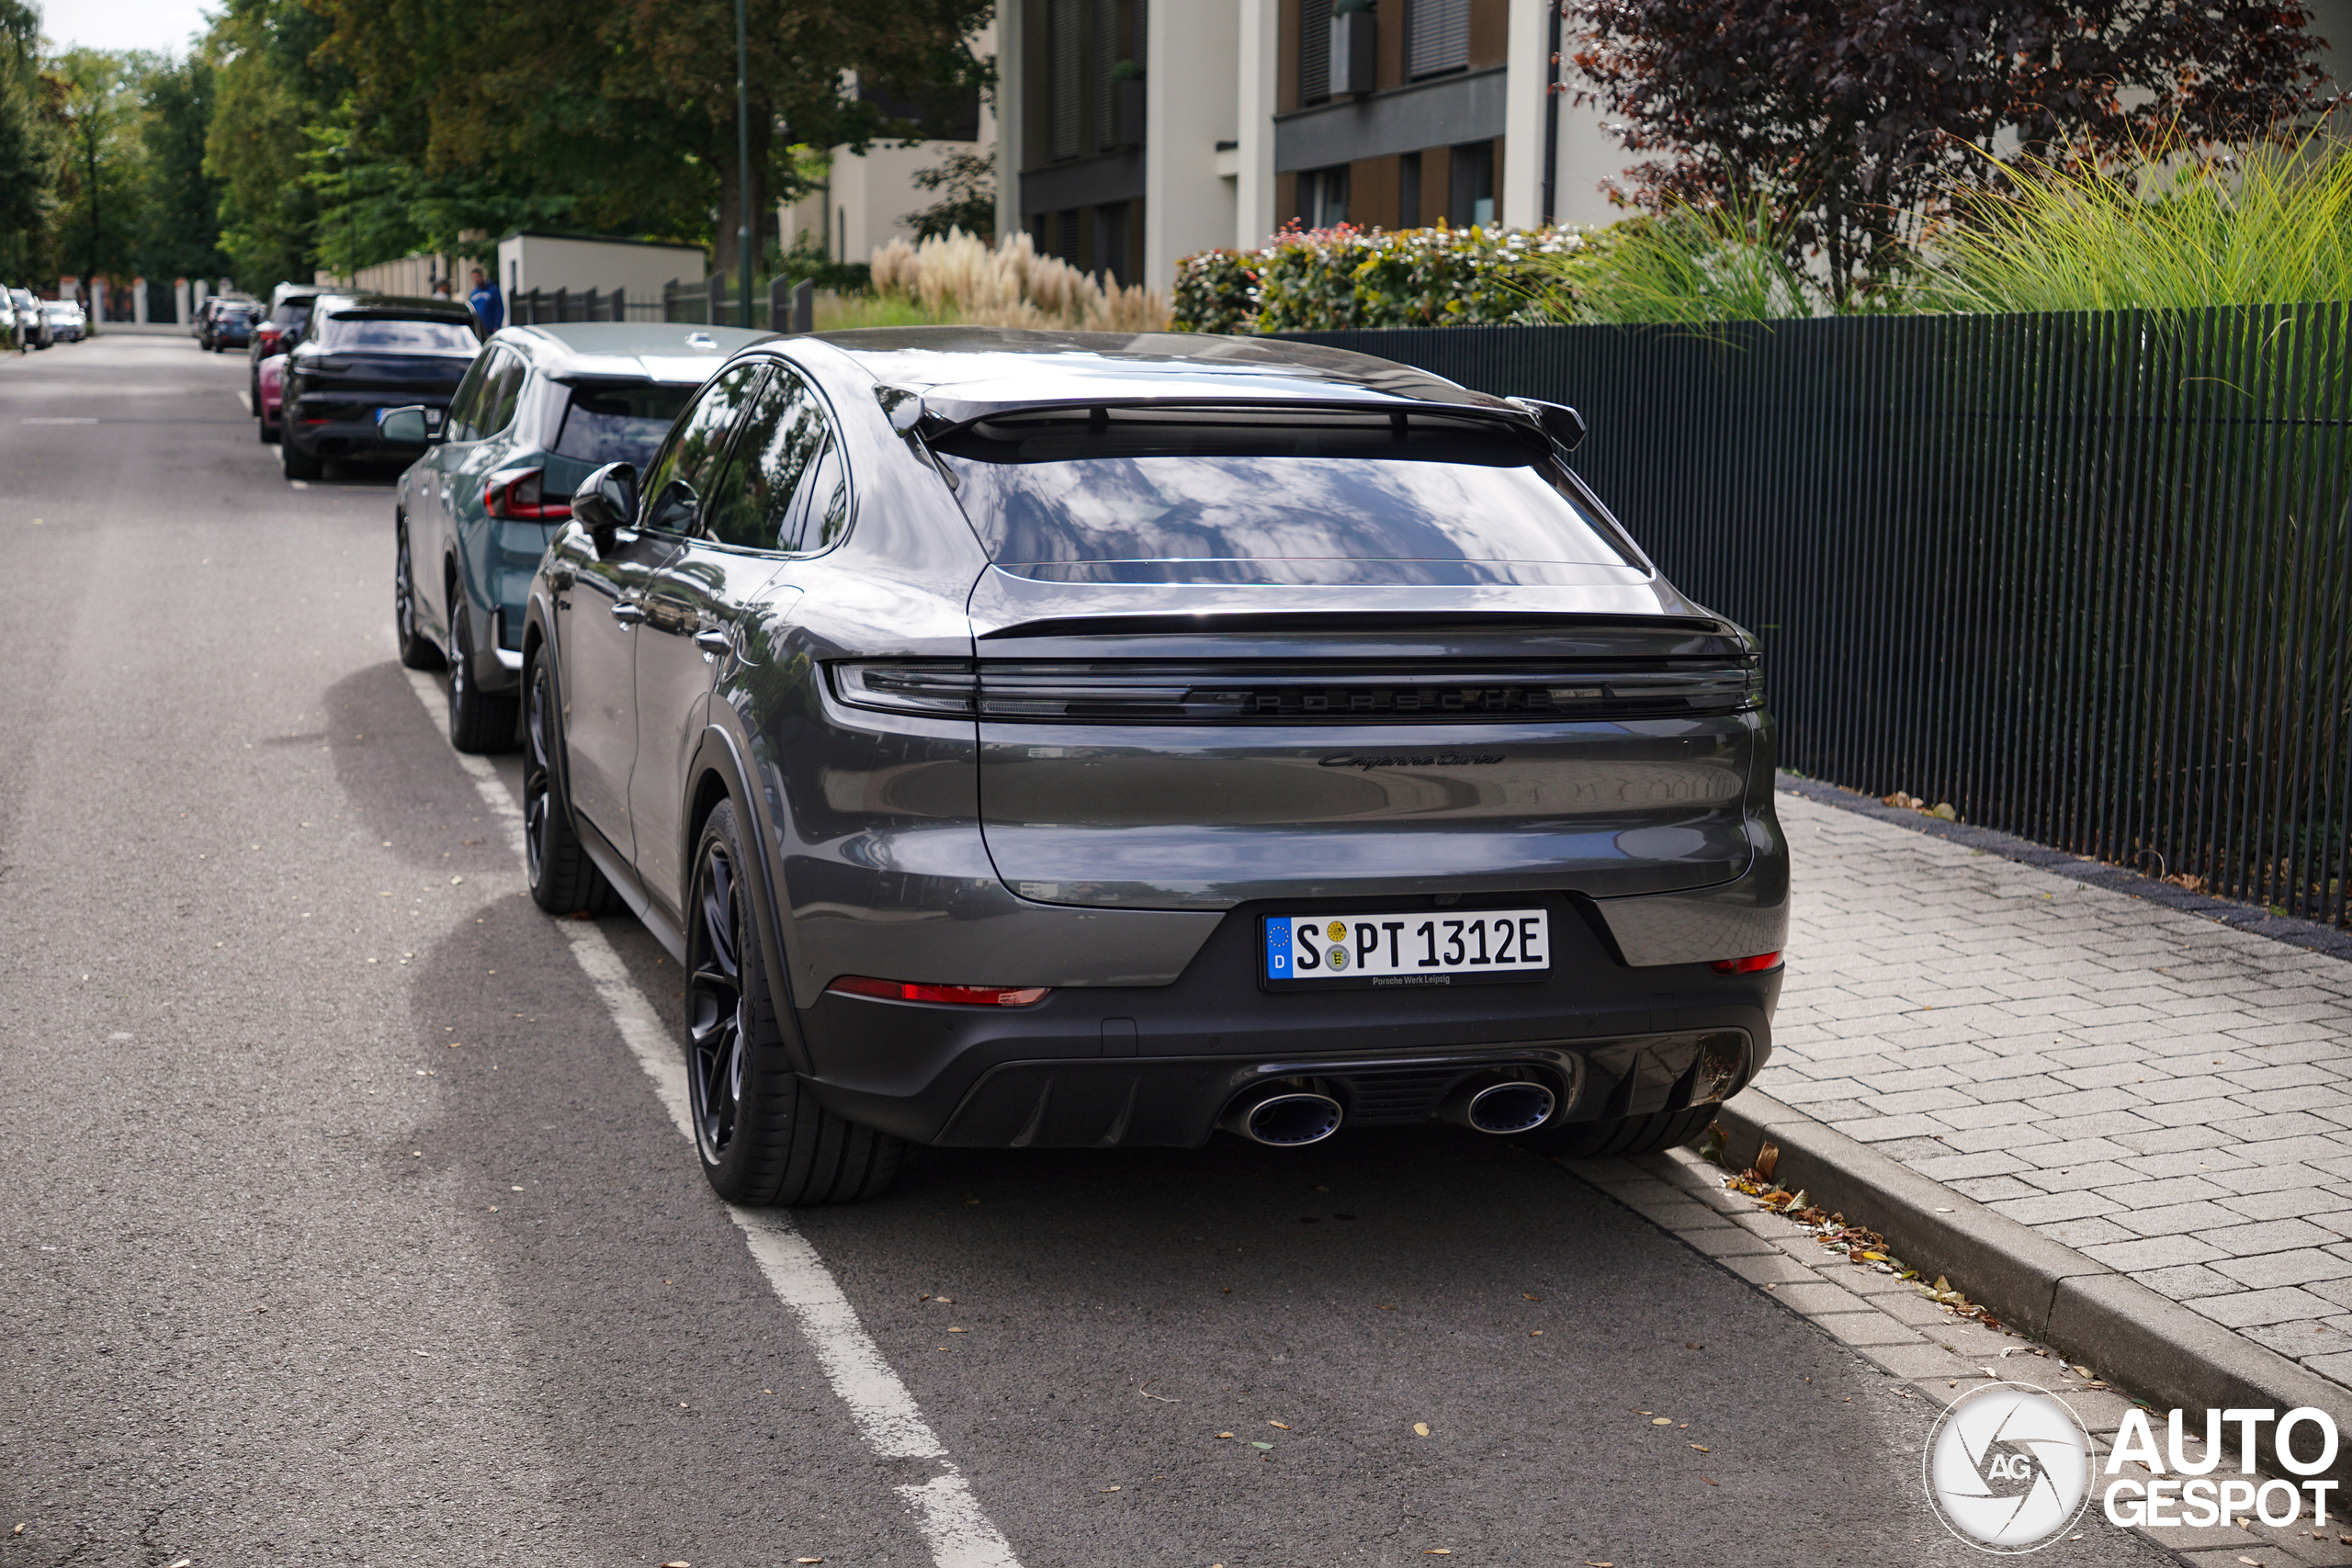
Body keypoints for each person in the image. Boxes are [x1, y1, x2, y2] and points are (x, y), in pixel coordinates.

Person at [467, 266, 503, 333]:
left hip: (490, 327)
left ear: (482, 276)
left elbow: (499, 309)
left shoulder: (493, 291)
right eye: (474, 278)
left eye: (477, 276)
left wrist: (497, 325)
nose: (476, 279)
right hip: (478, 328)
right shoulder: (473, 294)